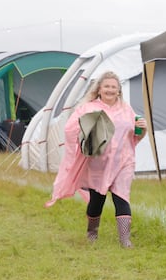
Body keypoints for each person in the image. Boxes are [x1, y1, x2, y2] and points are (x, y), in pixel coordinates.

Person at [45, 71, 147, 248]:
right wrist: (84, 141)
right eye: (106, 86)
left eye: (113, 87)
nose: (110, 90)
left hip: (123, 161)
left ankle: (125, 240)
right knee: (97, 201)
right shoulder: (88, 108)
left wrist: (142, 128)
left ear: (118, 90)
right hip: (97, 163)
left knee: (122, 197)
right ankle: (92, 233)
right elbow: (70, 130)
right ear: (99, 89)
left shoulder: (126, 109)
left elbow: (134, 135)